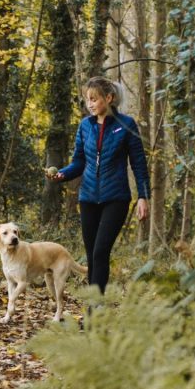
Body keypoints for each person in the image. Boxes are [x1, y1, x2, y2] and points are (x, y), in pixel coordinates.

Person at [46, 76, 149, 294]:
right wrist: (62, 175)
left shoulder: (126, 125)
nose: (90, 104)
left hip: (116, 198)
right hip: (88, 198)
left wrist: (143, 196)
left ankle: (95, 311)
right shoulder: (85, 126)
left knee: (101, 251)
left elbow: (139, 164)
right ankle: (93, 310)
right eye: (87, 99)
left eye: (94, 99)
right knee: (92, 254)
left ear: (109, 98)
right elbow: (79, 162)